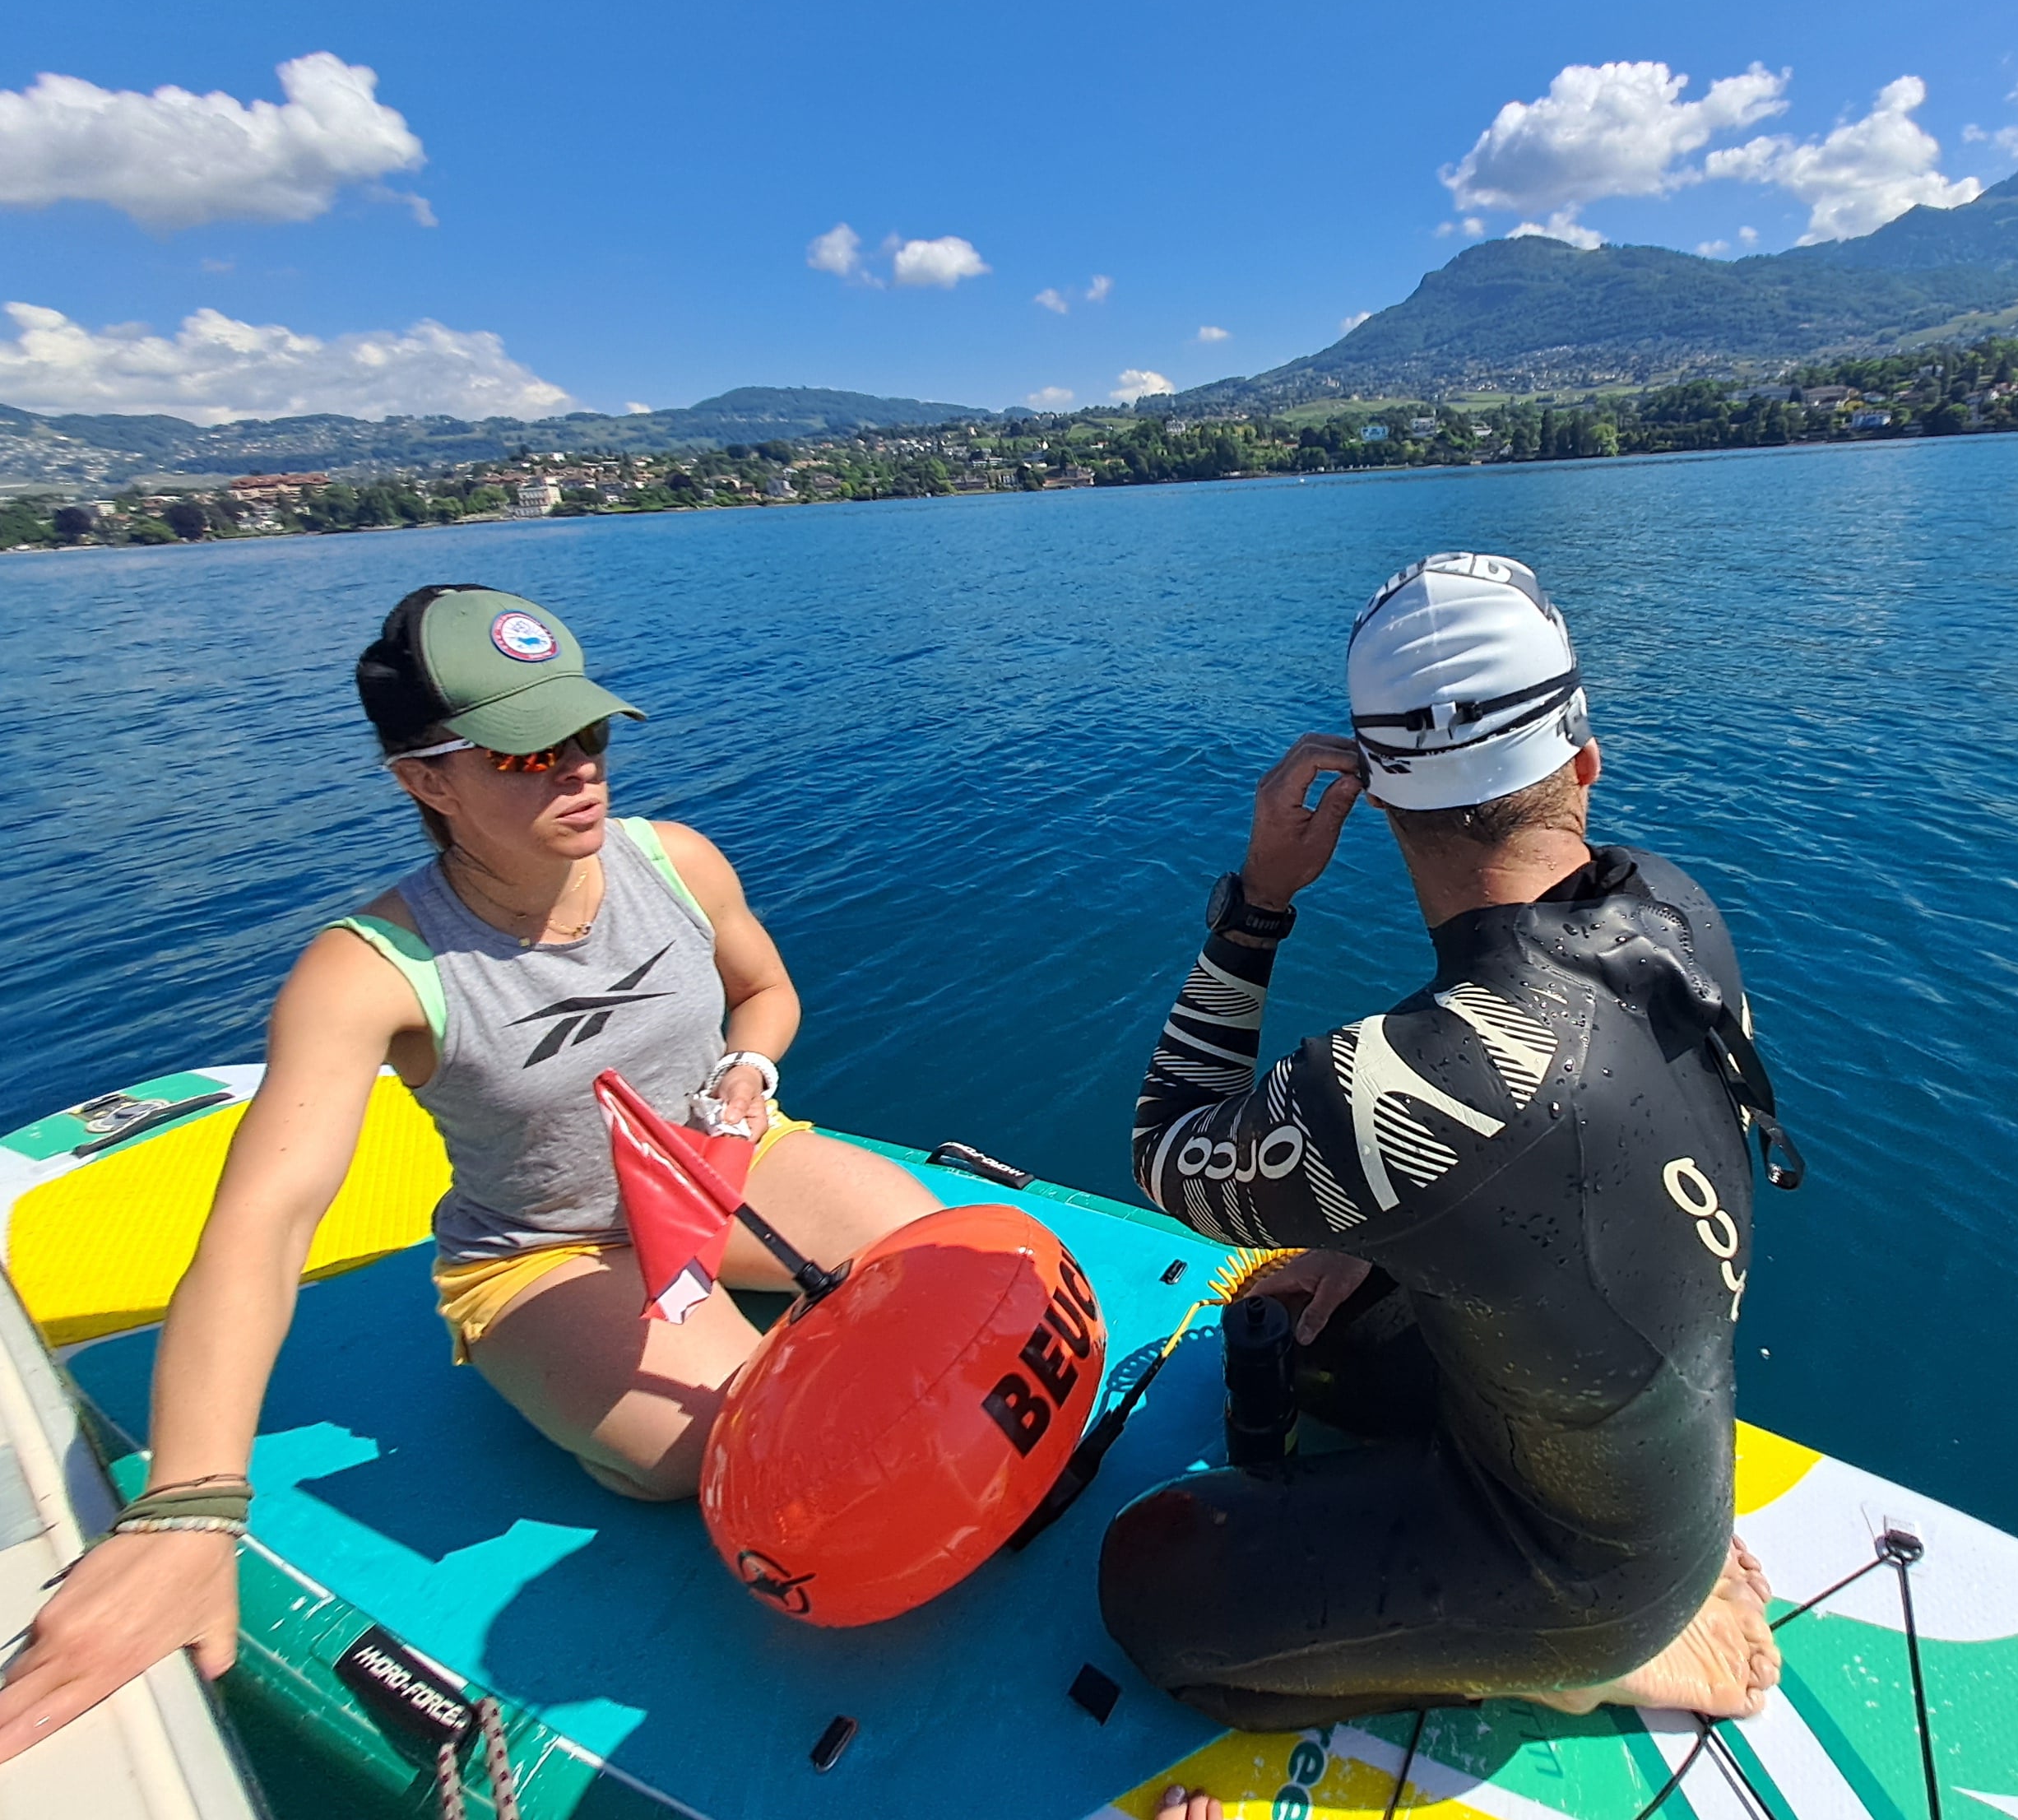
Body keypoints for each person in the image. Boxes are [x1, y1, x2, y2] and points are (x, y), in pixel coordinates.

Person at [0, 584, 938, 1762]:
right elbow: (263, 1224)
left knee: (934, 1267)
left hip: (720, 1165)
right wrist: (190, 1505)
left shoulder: (676, 860)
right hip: (544, 1248)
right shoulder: (369, 969)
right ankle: (586, 1395)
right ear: (423, 780)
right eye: (529, 752)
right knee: (723, 1451)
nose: (580, 774)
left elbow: (768, 991)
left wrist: (748, 1069)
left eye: (589, 735)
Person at [1102, 551, 1792, 1737]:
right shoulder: (1674, 907)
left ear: (1374, 802)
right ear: (1583, 762)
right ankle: (1644, 1573)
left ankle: (1588, 1660)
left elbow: (1165, 1144)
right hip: (1656, 1467)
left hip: (1585, 1575)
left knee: (1145, 1578)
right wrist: (1378, 1244)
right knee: (1289, 1317)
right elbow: (1564, 1162)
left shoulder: (1395, 1093)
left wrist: (1259, 904)